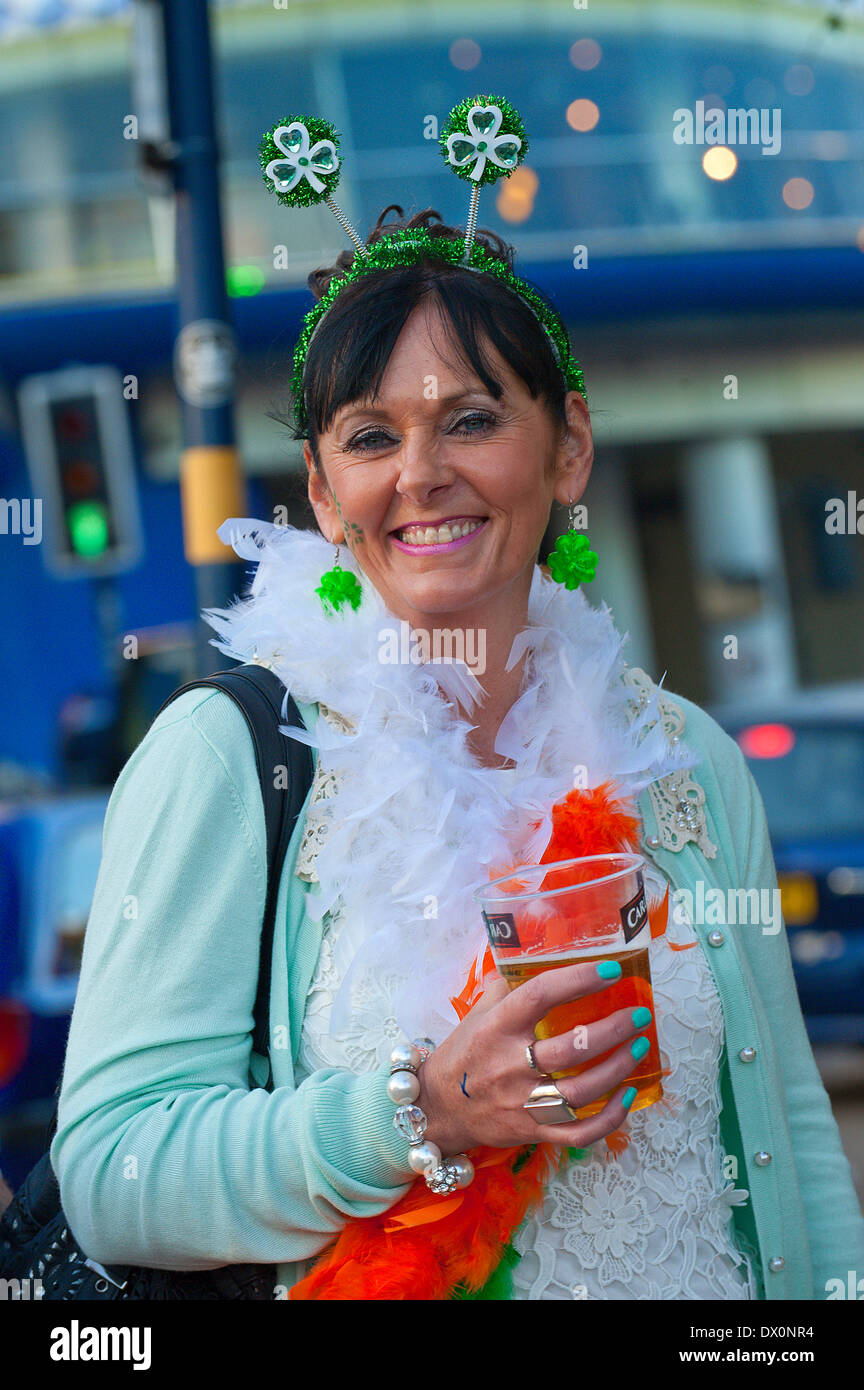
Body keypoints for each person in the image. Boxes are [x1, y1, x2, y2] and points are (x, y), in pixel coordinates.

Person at [51, 193, 864, 1299]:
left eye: (472, 420)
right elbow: (114, 1171)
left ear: (569, 447)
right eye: (370, 437)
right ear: (325, 495)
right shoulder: (232, 756)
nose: (421, 473)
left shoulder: (686, 757)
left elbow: (798, 1139)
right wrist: (424, 1110)